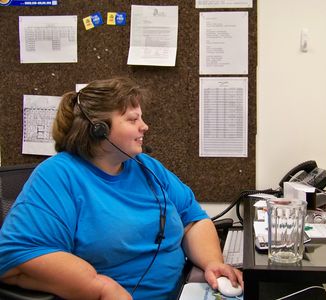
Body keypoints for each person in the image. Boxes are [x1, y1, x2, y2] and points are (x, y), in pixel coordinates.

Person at [0, 77, 243, 300]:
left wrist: (212, 262)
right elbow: (15, 257)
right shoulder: (58, 175)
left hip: (184, 290)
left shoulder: (147, 167)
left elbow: (193, 220)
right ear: (98, 129)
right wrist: (100, 288)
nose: (144, 126)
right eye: (132, 119)